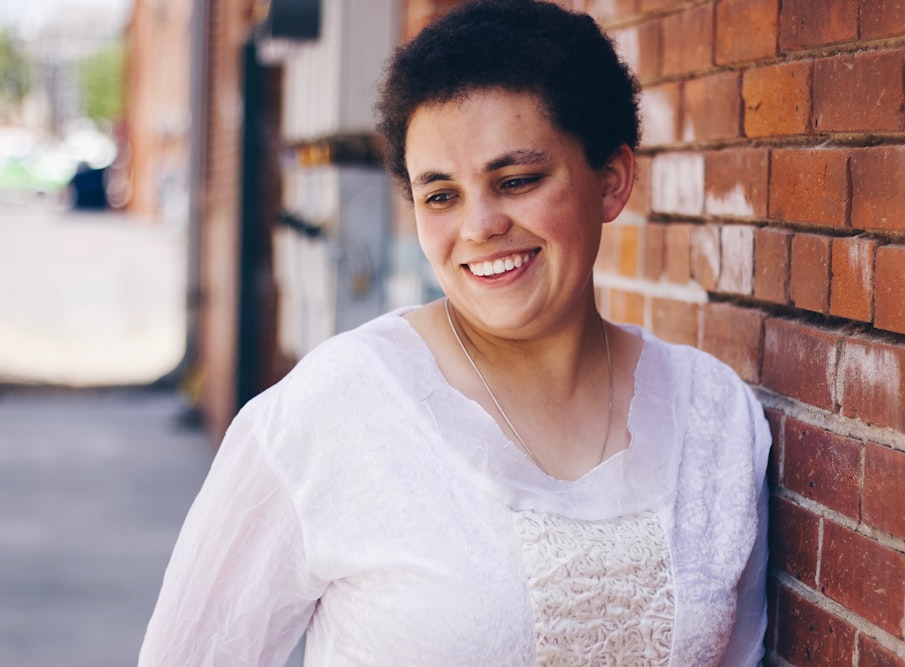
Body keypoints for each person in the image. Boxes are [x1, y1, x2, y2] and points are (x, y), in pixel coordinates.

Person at [138, 1, 771, 664]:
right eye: (440, 194)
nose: (479, 226)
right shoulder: (338, 408)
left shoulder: (714, 417)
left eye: (517, 179)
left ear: (611, 181)